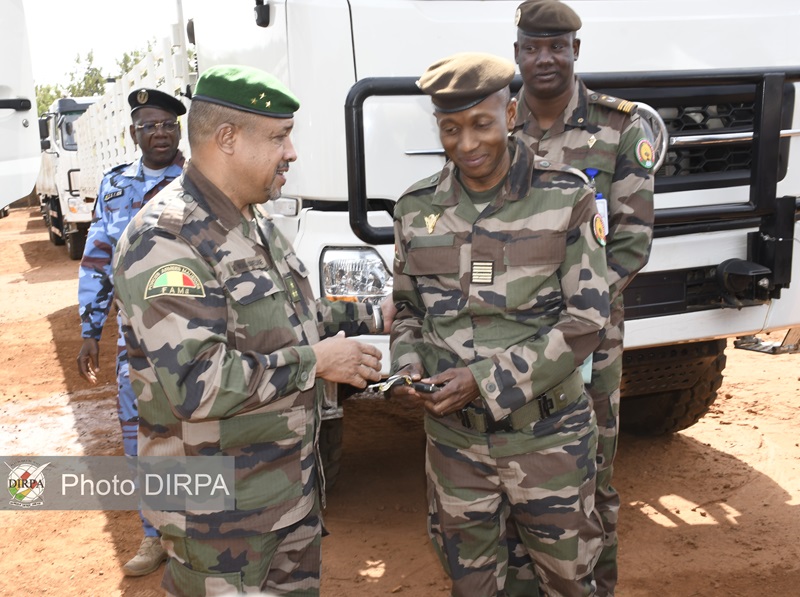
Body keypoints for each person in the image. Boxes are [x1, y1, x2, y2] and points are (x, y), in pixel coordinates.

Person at [111, 64, 387, 596]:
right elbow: (197, 383)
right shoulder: (165, 241)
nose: (292, 152)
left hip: (284, 497)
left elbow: (292, 316)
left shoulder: (251, 221)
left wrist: (376, 315)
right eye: (280, 137)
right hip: (217, 519)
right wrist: (316, 363)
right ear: (228, 139)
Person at [389, 52, 610, 596]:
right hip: (454, 445)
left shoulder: (565, 197)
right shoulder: (415, 209)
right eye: (450, 129)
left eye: (481, 124)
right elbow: (408, 310)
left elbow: (586, 321)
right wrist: (409, 364)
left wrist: (484, 382)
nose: (467, 143)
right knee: (471, 585)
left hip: (548, 442)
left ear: (510, 115)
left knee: (568, 582)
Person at [510, 1, 656, 594]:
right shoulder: (496, 122)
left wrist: (574, 312)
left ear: (576, 50)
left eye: (557, 46)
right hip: (510, 336)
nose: (544, 58)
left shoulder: (620, 127)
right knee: (513, 470)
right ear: (517, 52)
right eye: (532, 47)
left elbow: (631, 242)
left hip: (590, 340)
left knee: (589, 470)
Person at [76, 87, 187, 577]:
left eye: (167, 125)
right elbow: (97, 256)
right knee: (138, 435)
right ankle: (154, 533)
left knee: (199, 431)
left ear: (179, 130)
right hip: (135, 337)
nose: (159, 133)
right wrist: (89, 328)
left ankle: (201, 532)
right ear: (133, 133)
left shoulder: (201, 181)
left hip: (195, 333)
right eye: (149, 126)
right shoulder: (115, 185)